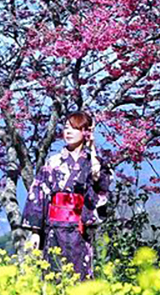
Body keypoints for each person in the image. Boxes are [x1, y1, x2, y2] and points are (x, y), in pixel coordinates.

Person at [21, 110, 114, 280]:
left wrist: (93, 151)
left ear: (86, 132)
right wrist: (35, 231)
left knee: (80, 279)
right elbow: (38, 194)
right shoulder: (53, 162)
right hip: (53, 229)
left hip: (79, 229)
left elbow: (103, 187)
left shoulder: (94, 162)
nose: (69, 132)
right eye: (66, 128)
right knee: (53, 277)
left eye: (75, 128)